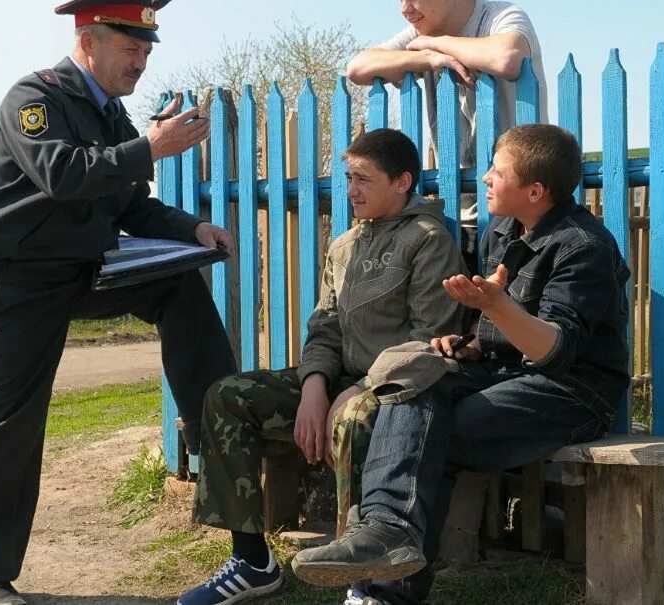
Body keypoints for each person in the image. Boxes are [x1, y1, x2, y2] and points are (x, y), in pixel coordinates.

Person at [0, 2, 237, 604]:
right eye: (130, 49)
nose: (141, 61)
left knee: (179, 282)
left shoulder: (112, 116)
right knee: (9, 425)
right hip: (15, 280)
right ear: (88, 41)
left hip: (80, 270)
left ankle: (206, 424)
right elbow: (63, 174)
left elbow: (130, 204)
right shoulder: (36, 97)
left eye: (147, 51)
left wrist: (192, 229)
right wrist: (151, 148)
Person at [292, 124, 631, 605]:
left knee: (432, 432)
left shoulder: (582, 247)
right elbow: (497, 335)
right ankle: (388, 534)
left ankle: (386, 585)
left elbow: (555, 351)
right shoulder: (502, 229)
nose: (486, 178)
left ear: (535, 190)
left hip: (572, 392)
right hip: (504, 375)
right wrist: (470, 343)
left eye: (498, 170)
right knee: (413, 377)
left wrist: (497, 309)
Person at [177, 128, 467, 605]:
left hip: (396, 389)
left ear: (402, 182)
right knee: (228, 396)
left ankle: (368, 581)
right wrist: (315, 386)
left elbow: (428, 340)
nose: (350, 190)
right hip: (337, 381)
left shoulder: (428, 240)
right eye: (348, 178)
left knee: (355, 420)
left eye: (363, 180)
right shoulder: (345, 245)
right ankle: (251, 563)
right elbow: (325, 326)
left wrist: (361, 390)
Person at [346, 0, 547, 272]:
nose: (405, 8)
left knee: (509, 309)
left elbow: (507, 57)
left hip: (518, 213)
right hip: (457, 214)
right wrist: (428, 58)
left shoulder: (499, 16)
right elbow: (357, 68)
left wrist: (437, 44)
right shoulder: (421, 34)